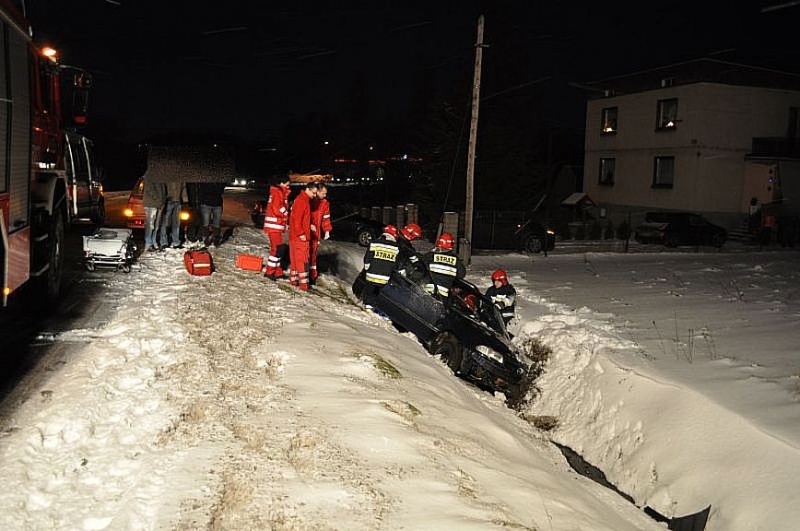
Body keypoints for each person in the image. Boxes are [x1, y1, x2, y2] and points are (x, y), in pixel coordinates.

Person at [360, 224, 401, 307]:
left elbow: (367, 259)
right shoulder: (396, 248)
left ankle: (367, 305)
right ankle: (376, 307)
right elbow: (396, 265)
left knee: (369, 293)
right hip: (384, 278)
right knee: (378, 296)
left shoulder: (374, 243)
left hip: (371, 276)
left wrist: (367, 268)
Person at [287, 182, 318, 291]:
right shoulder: (303, 201)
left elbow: (297, 218)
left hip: (294, 236)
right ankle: (304, 285)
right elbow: (297, 220)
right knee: (303, 260)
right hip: (300, 237)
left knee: (295, 260)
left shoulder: (300, 199)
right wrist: (302, 234)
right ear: (308, 189)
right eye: (313, 193)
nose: (314, 196)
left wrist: (309, 226)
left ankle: (294, 279)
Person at [263, 174, 291, 279]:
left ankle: (277, 271)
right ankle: (270, 272)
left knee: (279, 249)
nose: (289, 187)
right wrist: (286, 214)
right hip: (274, 226)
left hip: (276, 226)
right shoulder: (278, 193)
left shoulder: (278, 192)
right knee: (276, 249)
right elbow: (277, 208)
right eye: (287, 185)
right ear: (281, 183)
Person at [422, 232, 465, 299]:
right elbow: (461, 274)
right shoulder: (455, 259)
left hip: (427, 291)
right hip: (443, 294)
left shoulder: (430, 255)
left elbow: (421, 267)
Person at [309, 182, 333, 283]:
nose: (325, 195)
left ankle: (312, 275)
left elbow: (325, 218)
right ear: (317, 191)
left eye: (326, 193)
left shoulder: (325, 204)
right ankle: (302, 273)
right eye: (323, 193)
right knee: (305, 253)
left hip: (316, 233)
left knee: (313, 254)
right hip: (306, 230)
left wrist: (327, 230)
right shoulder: (309, 200)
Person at [198, 181, 227, 247]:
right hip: (206, 203)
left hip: (217, 204)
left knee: (217, 223)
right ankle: (206, 239)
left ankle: (216, 239)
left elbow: (222, 188)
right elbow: (202, 189)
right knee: (206, 223)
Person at [142, 175, 166, 252]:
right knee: (150, 225)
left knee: (156, 226)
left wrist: (163, 201)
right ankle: (148, 244)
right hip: (151, 204)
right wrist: (159, 200)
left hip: (159, 204)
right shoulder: (150, 175)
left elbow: (163, 190)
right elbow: (149, 189)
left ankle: (154, 241)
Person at [160, 180, 186, 249]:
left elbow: (184, 188)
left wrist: (185, 201)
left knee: (177, 223)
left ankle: (176, 242)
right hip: (168, 201)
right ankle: (163, 242)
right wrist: (163, 201)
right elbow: (162, 189)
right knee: (165, 222)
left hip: (178, 201)